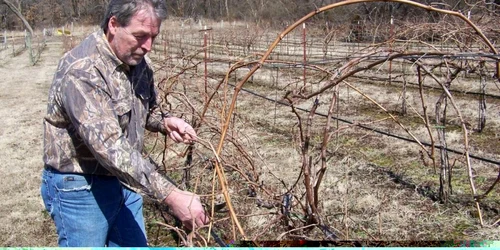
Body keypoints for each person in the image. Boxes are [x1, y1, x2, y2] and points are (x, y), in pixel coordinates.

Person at [40, 0, 208, 247]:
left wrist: (165, 122)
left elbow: (145, 108)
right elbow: (110, 147)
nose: (148, 46)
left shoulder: (137, 62)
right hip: (80, 186)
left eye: (153, 36)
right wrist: (171, 195)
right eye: (140, 36)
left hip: (125, 178)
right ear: (114, 24)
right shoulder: (83, 71)